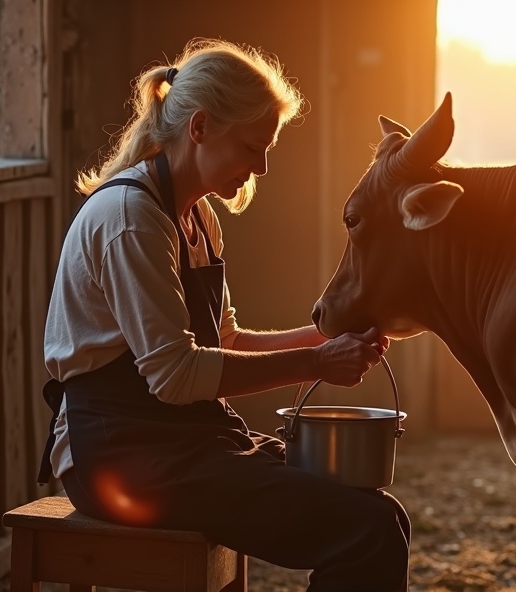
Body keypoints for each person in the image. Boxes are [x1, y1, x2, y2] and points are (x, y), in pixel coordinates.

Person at [37, 37, 410, 592]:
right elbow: (177, 375)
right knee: (368, 529)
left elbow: (224, 341)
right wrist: (317, 361)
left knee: (383, 513)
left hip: (184, 442)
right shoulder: (130, 219)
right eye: (251, 146)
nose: (260, 165)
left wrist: (329, 336)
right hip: (119, 456)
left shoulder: (198, 217)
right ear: (200, 127)